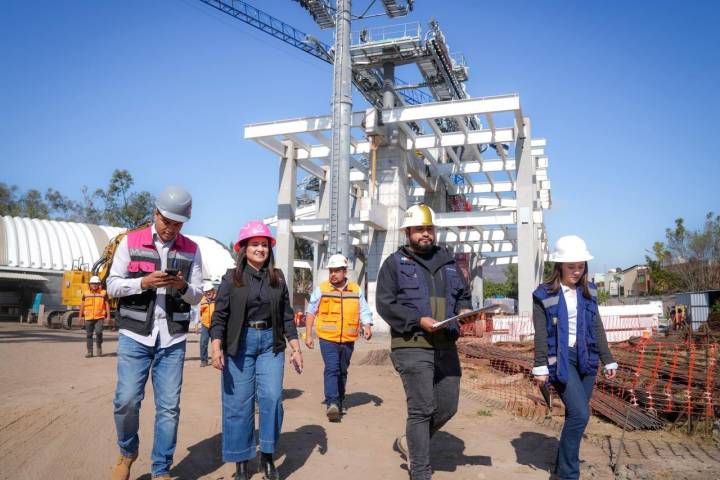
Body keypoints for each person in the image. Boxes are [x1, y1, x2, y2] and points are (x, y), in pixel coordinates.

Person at [106, 186, 203, 480]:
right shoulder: (130, 242)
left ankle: (161, 469)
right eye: (166, 221)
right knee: (126, 400)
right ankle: (127, 452)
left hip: (172, 339)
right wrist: (143, 283)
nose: (170, 229)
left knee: (169, 408)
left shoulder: (192, 249)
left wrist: (182, 287)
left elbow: (197, 295)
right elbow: (112, 285)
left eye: (177, 224)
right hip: (135, 336)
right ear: (155, 213)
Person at [375, 204, 474, 480]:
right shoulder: (394, 263)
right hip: (411, 343)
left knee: (449, 405)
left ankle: (411, 442)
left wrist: (465, 310)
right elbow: (385, 303)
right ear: (408, 232)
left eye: (429, 228)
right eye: (419, 229)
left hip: (445, 343)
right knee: (421, 408)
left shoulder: (449, 262)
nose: (425, 234)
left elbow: (463, 296)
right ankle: (420, 470)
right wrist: (418, 320)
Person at [210, 220, 303, 480]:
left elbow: (287, 316)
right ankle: (241, 461)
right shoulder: (232, 278)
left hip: (271, 345)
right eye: (255, 244)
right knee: (238, 404)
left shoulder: (278, 278)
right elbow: (220, 316)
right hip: (239, 345)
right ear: (244, 248)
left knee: (272, 398)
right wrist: (216, 347)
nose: (260, 249)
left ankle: (268, 456)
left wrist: (296, 348)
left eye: (264, 244)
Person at [532, 235, 618, 480]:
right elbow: (541, 333)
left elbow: (596, 326)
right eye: (572, 266)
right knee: (581, 414)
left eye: (581, 266)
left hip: (587, 356)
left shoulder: (589, 291)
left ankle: (561, 468)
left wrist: (607, 358)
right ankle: (569, 475)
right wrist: (540, 366)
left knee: (574, 415)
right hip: (562, 358)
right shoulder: (543, 294)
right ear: (559, 265)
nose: (577, 271)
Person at [304, 253, 373, 421]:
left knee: (342, 370)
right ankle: (332, 403)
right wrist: (308, 334)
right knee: (332, 369)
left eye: (336, 271)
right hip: (327, 338)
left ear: (345, 271)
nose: (333, 274)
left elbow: (363, 309)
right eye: (331, 271)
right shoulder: (322, 289)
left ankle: (339, 401)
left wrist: (367, 325)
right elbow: (311, 312)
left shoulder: (356, 290)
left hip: (348, 339)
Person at [79, 275, 110, 358]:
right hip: (88, 317)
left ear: (99, 284)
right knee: (89, 335)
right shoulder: (85, 293)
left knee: (98, 332)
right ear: (89, 284)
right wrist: (80, 316)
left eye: (96, 283)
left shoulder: (103, 293)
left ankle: (99, 346)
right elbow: (82, 305)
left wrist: (108, 316)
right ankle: (90, 352)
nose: (94, 285)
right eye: (92, 283)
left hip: (99, 317)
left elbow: (107, 304)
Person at [198, 282, 216, 367]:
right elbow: (199, 313)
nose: (208, 293)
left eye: (210, 291)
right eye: (206, 291)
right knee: (203, 343)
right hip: (205, 325)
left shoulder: (218, 300)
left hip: (215, 325)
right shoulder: (202, 301)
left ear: (213, 291)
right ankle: (204, 360)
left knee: (216, 343)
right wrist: (197, 323)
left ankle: (216, 359)